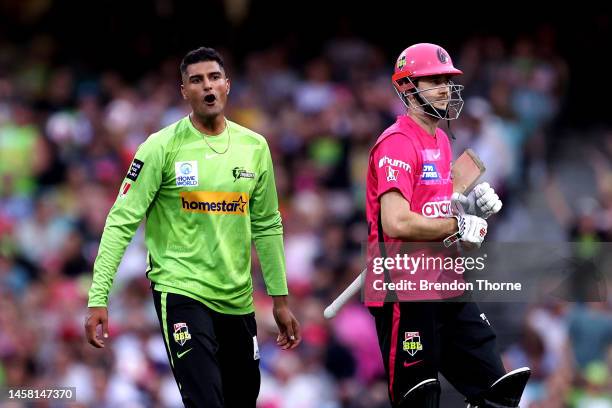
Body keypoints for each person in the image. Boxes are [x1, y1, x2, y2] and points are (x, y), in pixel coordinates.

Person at [84, 46, 301, 408]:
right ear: (184, 91)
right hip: (181, 291)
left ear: (227, 85)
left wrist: (279, 299)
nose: (208, 86)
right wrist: (98, 296)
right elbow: (121, 220)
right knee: (205, 400)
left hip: (237, 299)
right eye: (196, 80)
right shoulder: (160, 148)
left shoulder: (254, 147)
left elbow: (266, 224)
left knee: (242, 399)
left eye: (214, 77)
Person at [364, 43, 530, 407]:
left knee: (497, 390)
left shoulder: (440, 139)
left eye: (447, 80)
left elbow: (440, 212)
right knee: (419, 399)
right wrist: (457, 223)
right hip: (404, 286)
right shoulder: (396, 143)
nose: (444, 87)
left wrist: (471, 214)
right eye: (434, 80)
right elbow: (396, 221)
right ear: (407, 87)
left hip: (445, 279)